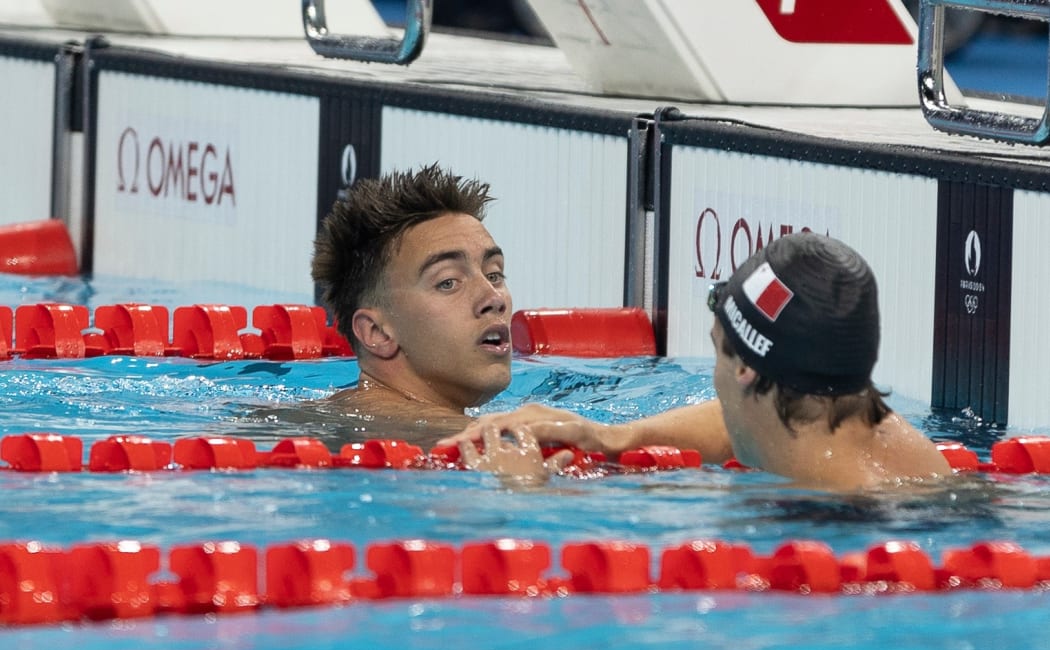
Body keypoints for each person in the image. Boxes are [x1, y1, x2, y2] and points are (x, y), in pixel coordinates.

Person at [441, 232, 954, 491]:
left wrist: (522, 496)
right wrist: (615, 437)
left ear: (746, 369)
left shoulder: (827, 519)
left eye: (718, 349)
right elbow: (750, 422)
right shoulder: (855, 413)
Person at [302, 164, 513, 448]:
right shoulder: (465, 438)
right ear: (377, 332)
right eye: (448, 282)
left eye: (494, 275)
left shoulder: (323, 415)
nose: (494, 299)